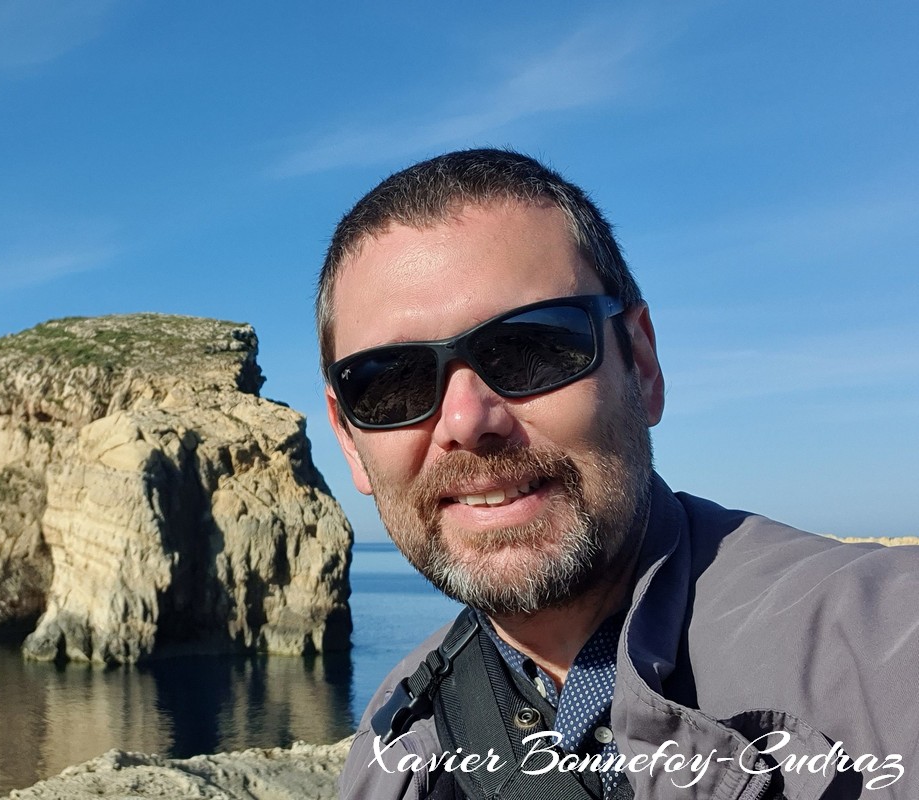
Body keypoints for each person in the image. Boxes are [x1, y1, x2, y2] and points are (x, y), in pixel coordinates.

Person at [322, 149, 917, 800]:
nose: (467, 420)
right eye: (391, 384)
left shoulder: (882, 645)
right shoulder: (395, 736)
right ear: (349, 441)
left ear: (640, 365)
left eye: (529, 348)